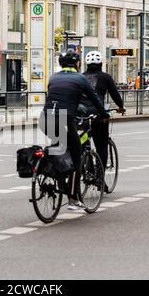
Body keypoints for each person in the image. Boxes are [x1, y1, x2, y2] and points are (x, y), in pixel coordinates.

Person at [40, 49, 109, 211]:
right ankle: (72, 198)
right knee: (76, 154)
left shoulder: (53, 78)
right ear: (77, 64)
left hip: (45, 119)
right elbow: (95, 99)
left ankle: (58, 177)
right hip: (65, 119)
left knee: (59, 147)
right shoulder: (80, 78)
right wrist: (104, 114)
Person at [83, 51, 126, 192]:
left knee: (82, 142)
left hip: (81, 115)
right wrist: (121, 107)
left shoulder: (81, 77)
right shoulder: (105, 77)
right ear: (101, 63)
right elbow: (115, 94)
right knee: (101, 146)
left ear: (87, 64)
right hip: (98, 115)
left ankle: (85, 166)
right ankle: (100, 179)